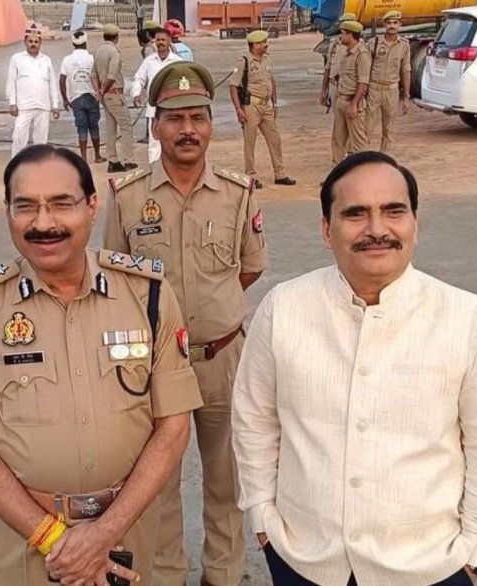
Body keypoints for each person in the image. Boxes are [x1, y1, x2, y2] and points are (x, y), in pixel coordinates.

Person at [232, 151, 477, 586]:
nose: (376, 229)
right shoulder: (283, 308)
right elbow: (254, 419)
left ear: (415, 224)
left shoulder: (464, 318)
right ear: (326, 229)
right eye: (355, 213)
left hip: (430, 566)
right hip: (303, 558)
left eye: (393, 211)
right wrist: (261, 515)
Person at [0, 144, 202, 586]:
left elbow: (174, 427)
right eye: (26, 206)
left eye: (62, 204)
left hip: (130, 529)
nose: (44, 223)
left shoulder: (148, 294)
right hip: (27, 542)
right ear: (7, 212)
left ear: (91, 206)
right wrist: (57, 540)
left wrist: (104, 534)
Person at [104, 62, 267, 586]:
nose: (187, 129)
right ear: (156, 126)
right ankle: (167, 576)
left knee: (228, 480)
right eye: (175, 119)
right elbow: (115, 279)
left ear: (212, 125)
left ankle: (223, 575)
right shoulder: (128, 196)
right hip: (153, 367)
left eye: (198, 117)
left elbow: (249, 268)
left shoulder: (238, 193)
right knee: (156, 484)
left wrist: (210, 312)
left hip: (222, 359)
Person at [229, 30, 296, 189]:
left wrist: (275, 103)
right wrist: (238, 109)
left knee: (275, 139)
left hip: (266, 106)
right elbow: (233, 86)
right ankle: (250, 175)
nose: (266, 45)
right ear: (255, 45)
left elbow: (271, 81)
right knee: (250, 142)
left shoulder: (266, 59)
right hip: (251, 105)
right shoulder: (244, 61)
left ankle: (280, 173)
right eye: (263, 42)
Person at [6, 27, 60, 158]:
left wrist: (55, 105)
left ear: (40, 43)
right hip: (23, 107)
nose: (33, 44)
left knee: (41, 141)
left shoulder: (46, 60)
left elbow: (52, 84)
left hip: (43, 106)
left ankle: (39, 165)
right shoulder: (17, 59)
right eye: (30, 41)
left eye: (36, 42)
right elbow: (11, 82)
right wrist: (12, 103)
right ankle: (16, 164)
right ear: (25, 42)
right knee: (19, 138)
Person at [131, 28, 182, 164]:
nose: (160, 43)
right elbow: (139, 79)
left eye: (163, 40)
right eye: (158, 40)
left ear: (169, 42)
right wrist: (136, 93)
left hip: (172, 109)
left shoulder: (177, 62)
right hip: (154, 109)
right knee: (154, 143)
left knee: (173, 141)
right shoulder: (149, 61)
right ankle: (154, 170)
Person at [92, 24, 137, 174]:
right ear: (116, 37)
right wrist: (103, 90)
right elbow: (111, 76)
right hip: (114, 93)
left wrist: (98, 91)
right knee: (126, 127)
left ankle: (113, 160)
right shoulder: (114, 52)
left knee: (110, 128)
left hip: (105, 95)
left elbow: (93, 75)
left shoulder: (98, 51)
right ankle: (128, 160)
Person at [366, 10, 412, 153]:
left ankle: (384, 159)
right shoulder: (374, 43)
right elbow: (364, 68)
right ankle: (363, 159)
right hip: (374, 89)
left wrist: (406, 97)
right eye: (389, 23)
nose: (392, 26)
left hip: (392, 90)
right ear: (384, 24)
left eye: (395, 23)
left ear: (400, 25)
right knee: (367, 128)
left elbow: (406, 70)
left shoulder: (404, 45)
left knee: (389, 130)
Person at [59, 30, 106, 165]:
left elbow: (62, 80)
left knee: (81, 128)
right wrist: (100, 93)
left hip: (76, 98)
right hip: (92, 96)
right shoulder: (92, 58)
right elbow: (100, 77)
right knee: (94, 126)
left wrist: (65, 99)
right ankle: (97, 155)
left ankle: (84, 158)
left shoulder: (67, 60)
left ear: (73, 43)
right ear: (86, 42)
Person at [331, 20, 371, 165]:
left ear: (350, 34)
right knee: (337, 140)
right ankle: (336, 171)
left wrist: (354, 104)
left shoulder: (362, 54)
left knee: (358, 143)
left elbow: (363, 82)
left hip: (353, 102)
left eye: (342, 33)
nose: (340, 37)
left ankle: (364, 173)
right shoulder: (346, 52)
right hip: (341, 100)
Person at [319, 13, 357, 113]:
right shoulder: (334, 44)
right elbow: (328, 67)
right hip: (335, 86)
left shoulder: (360, 46)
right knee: (337, 117)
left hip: (351, 88)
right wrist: (324, 90)